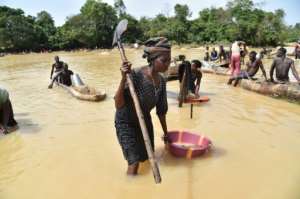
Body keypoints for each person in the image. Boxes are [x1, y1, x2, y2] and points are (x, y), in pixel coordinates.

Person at [114, 37, 170, 175]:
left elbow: (161, 111)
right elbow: (118, 104)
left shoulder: (162, 81)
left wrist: (166, 133)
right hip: (126, 121)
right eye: (164, 61)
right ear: (152, 60)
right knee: (134, 163)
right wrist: (123, 79)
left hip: (144, 120)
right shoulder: (135, 75)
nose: (168, 64)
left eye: (169, 60)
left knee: (147, 157)